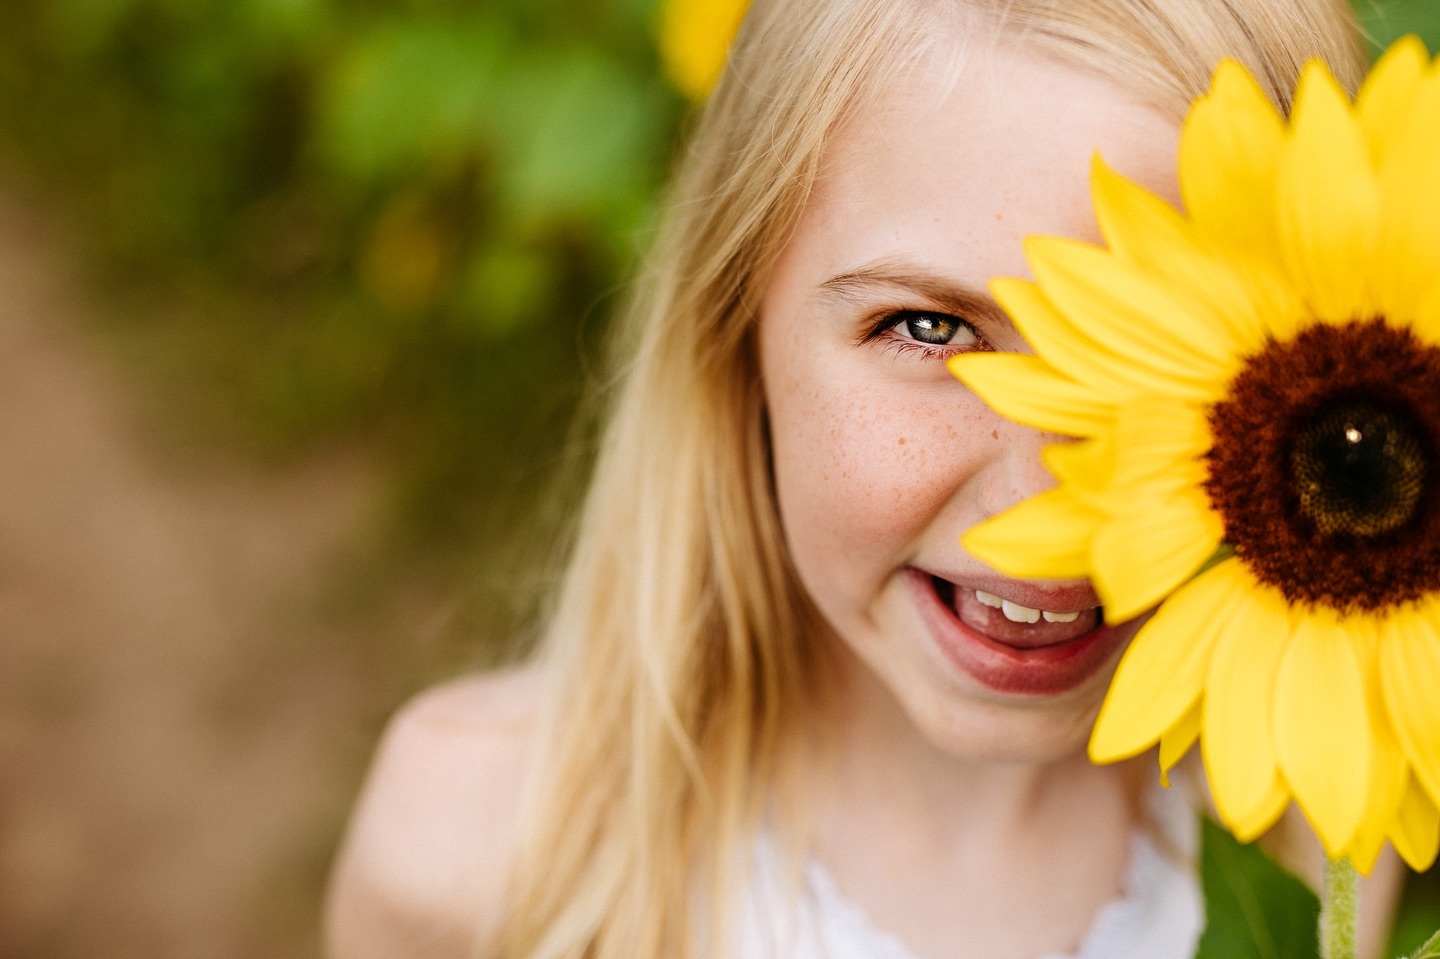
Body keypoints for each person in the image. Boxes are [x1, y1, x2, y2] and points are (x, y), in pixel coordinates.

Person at [323, 1, 1411, 957]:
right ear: (734, 318)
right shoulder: (478, 851)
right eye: (929, 328)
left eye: (1140, 360)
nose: (1046, 507)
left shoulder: (1312, 821)